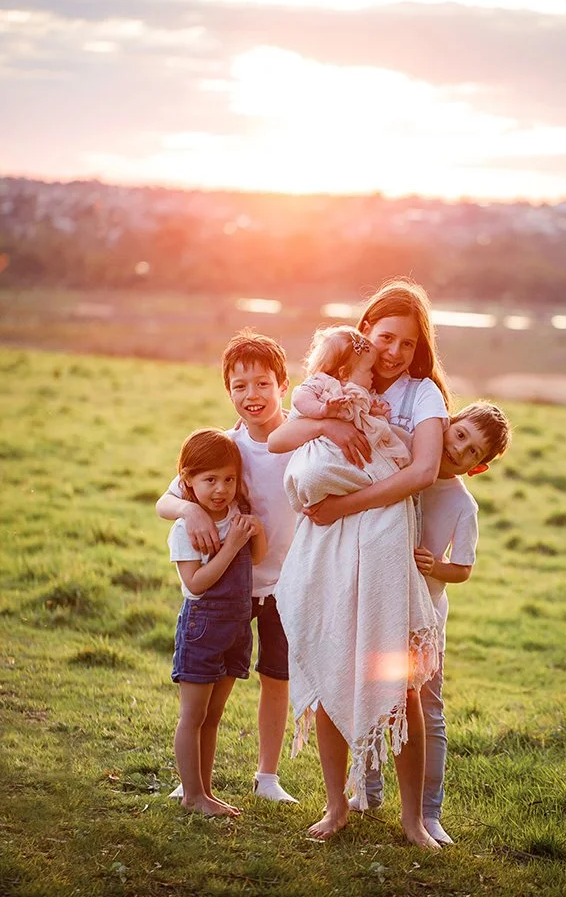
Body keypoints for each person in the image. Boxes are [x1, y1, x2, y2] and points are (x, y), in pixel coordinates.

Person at [269, 279, 450, 847]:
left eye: (408, 344)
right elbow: (284, 436)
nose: (395, 352)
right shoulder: (337, 375)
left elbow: (420, 472)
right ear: (366, 330)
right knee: (329, 660)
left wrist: (343, 503)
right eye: (387, 338)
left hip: (382, 543)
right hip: (328, 547)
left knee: (402, 687)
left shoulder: (423, 395)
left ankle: (413, 819)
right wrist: (328, 424)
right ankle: (335, 805)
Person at [350, 401, 513, 844]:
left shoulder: (462, 504)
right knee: (375, 696)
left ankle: (428, 809)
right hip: (382, 608)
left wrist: (434, 566)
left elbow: (463, 569)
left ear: (477, 468)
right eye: (460, 435)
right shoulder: (406, 468)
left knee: (426, 707)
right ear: (446, 425)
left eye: (472, 452)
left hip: (423, 620)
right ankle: (366, 790)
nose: (459, 449)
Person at [156, 331, 299, 805]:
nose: (251, 396)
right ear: (229, 392)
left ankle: (268, 776)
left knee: (276, 677)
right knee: (212, 689)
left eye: (262, 384)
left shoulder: (302, 438)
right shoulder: (226, 448)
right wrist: (189, 511)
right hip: (227, 588)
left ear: (283, 385)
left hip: (287, 582)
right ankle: (193, 779)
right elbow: (166, 500)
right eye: (240, 387)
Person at [169, 428, 267, 817]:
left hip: (236, 628)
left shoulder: (235, 516)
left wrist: (254, 532)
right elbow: (195, 584)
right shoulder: (186, 529)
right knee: (192, 717)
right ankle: (191, 795)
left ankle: (204, 792)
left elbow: (257, 558)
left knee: (213, 717)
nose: (220, 489)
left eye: (228, 479)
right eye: (209, 480)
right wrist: (230, 545)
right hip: (203, 628)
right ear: (188, 482)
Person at [291, 324, 411, 466]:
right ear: (345, 373)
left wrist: (376, 413)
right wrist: (322, 410)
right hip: (324, 451)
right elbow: (300, 398)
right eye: (369, 370)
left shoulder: (364, 394)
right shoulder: (322, 381)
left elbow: (368, 423)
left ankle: (390, 456)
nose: (373, 374)